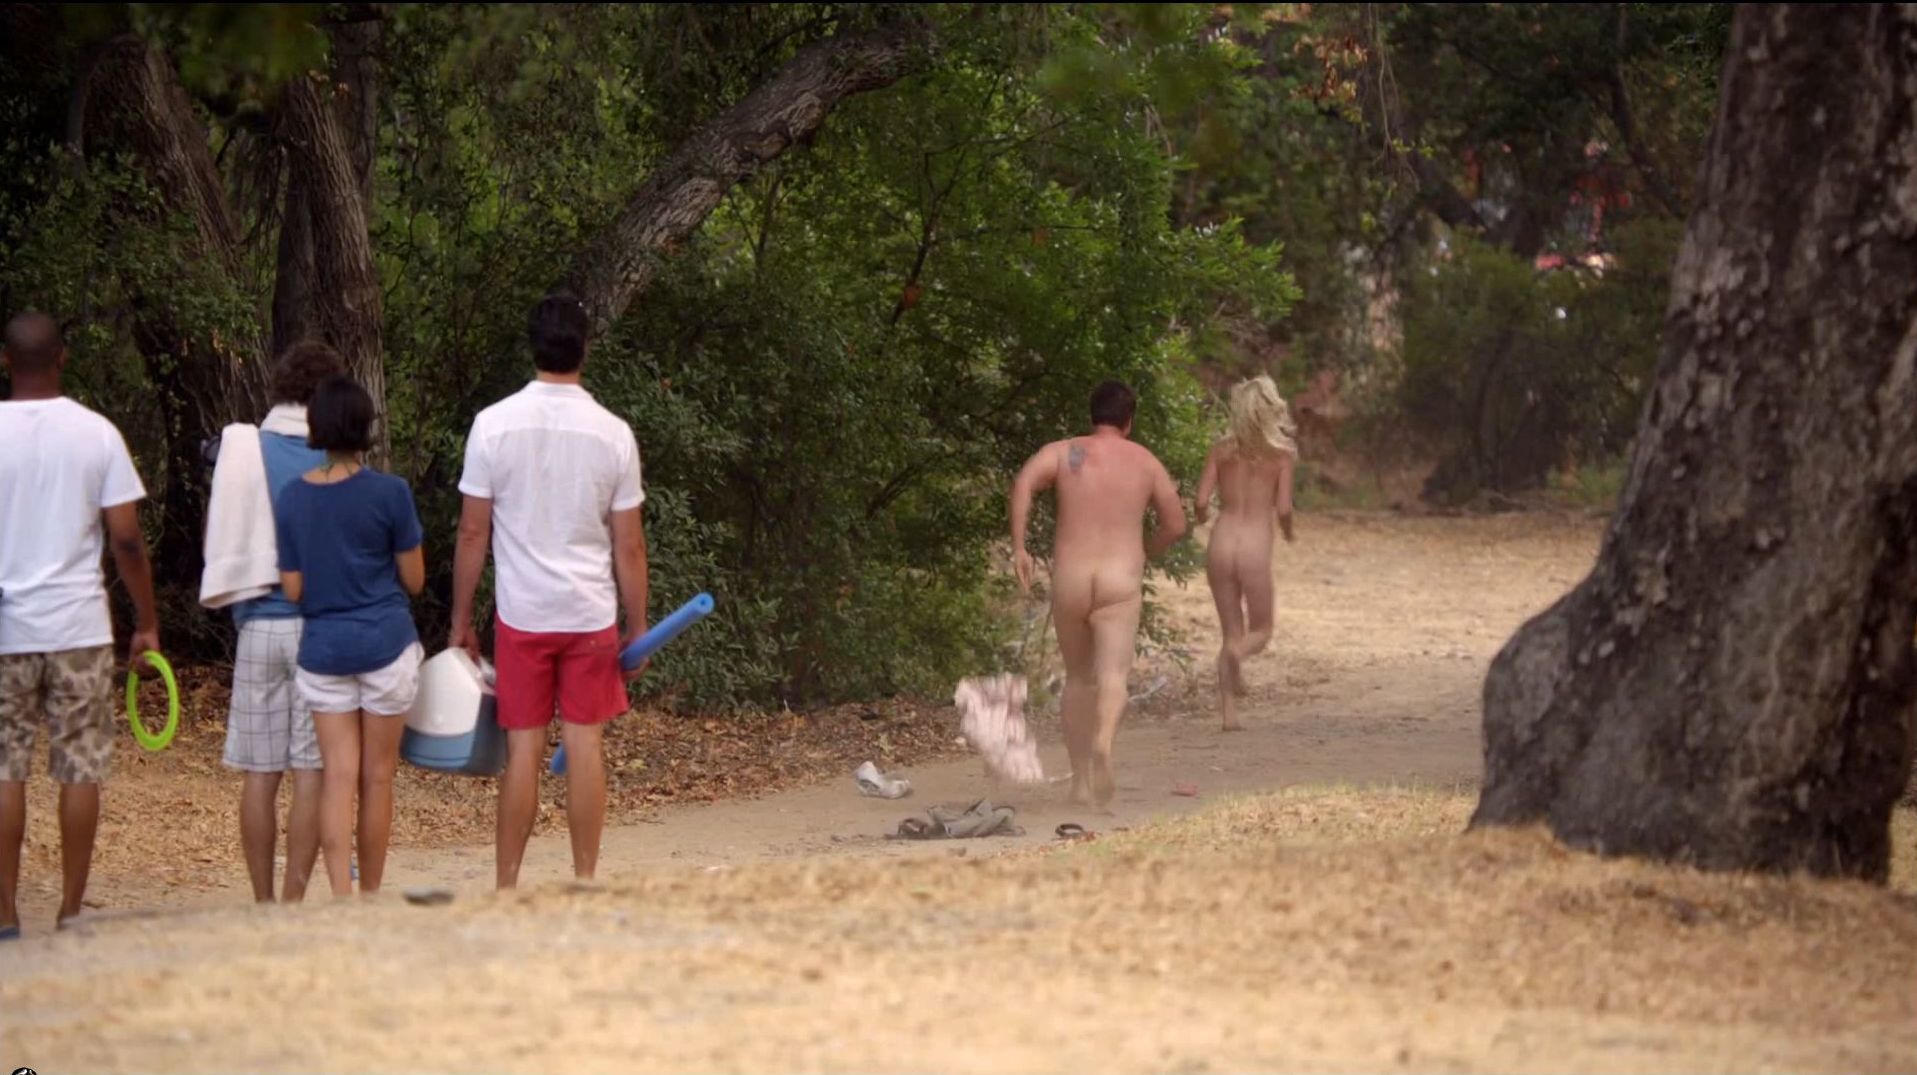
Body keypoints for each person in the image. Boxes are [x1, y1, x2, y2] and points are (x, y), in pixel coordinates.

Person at [448, 290, 649, 890]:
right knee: (585, 745)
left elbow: (472, 531)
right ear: (585, 348)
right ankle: (584, 879)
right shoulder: (613, 434)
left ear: (532, 347)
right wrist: (637, 624)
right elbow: (629, 546)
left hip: (522, 615)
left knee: (523, 751)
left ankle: (507, 886)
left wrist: (461, 618)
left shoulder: (493, 425)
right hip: (589, 614)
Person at [0, 312, 160, 938]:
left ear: (6, 360)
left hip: (7, 631)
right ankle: (70, 911)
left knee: (5, 769)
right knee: (80, 768)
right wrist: (146, 622)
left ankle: (6, 913)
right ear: (62, 358)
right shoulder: (98, 435)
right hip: (79, 628)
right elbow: (126, 540)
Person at [201, 342, 345, 903]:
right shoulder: (334, 456)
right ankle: (292, 902)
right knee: (311, 773)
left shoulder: (245, 449)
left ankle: (262, 902)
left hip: (258, 624)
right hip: (317, 629)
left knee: (259, 775)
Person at [275, 375, 425, 897]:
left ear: (316, 428)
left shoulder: (293, 498)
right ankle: (371, 896)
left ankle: (341, 896)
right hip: (385, 643)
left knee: (338, 777)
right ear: (365, 428)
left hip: (324, 650)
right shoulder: (391, 493)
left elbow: (292, 589)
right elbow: (415, 580)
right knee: (377, 777)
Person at [1009, 380, 1186, 809]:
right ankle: (1103, 743)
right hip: (1119, 582)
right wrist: (1147, 549)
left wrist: (1019, 547)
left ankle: (1081, 783)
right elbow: (1176, 524)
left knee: (1078, 678)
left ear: (1092, 415)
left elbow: (1024, 484)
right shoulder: (1145, 462)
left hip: (1072, 578)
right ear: (1129, 421)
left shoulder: (1064, 452)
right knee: (1112, 677)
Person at [1194, 375, 1298, 731]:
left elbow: (1201, 501)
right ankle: (1238, 655)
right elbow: (1283, 508)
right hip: (1254, 545)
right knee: (1262, 629)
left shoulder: (1221, 450)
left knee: (1231, 631)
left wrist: (1201, 518)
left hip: (1222, 541)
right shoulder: (1282, 455)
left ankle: (1229, 714)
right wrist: (1288, 531)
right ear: (1272, 409)